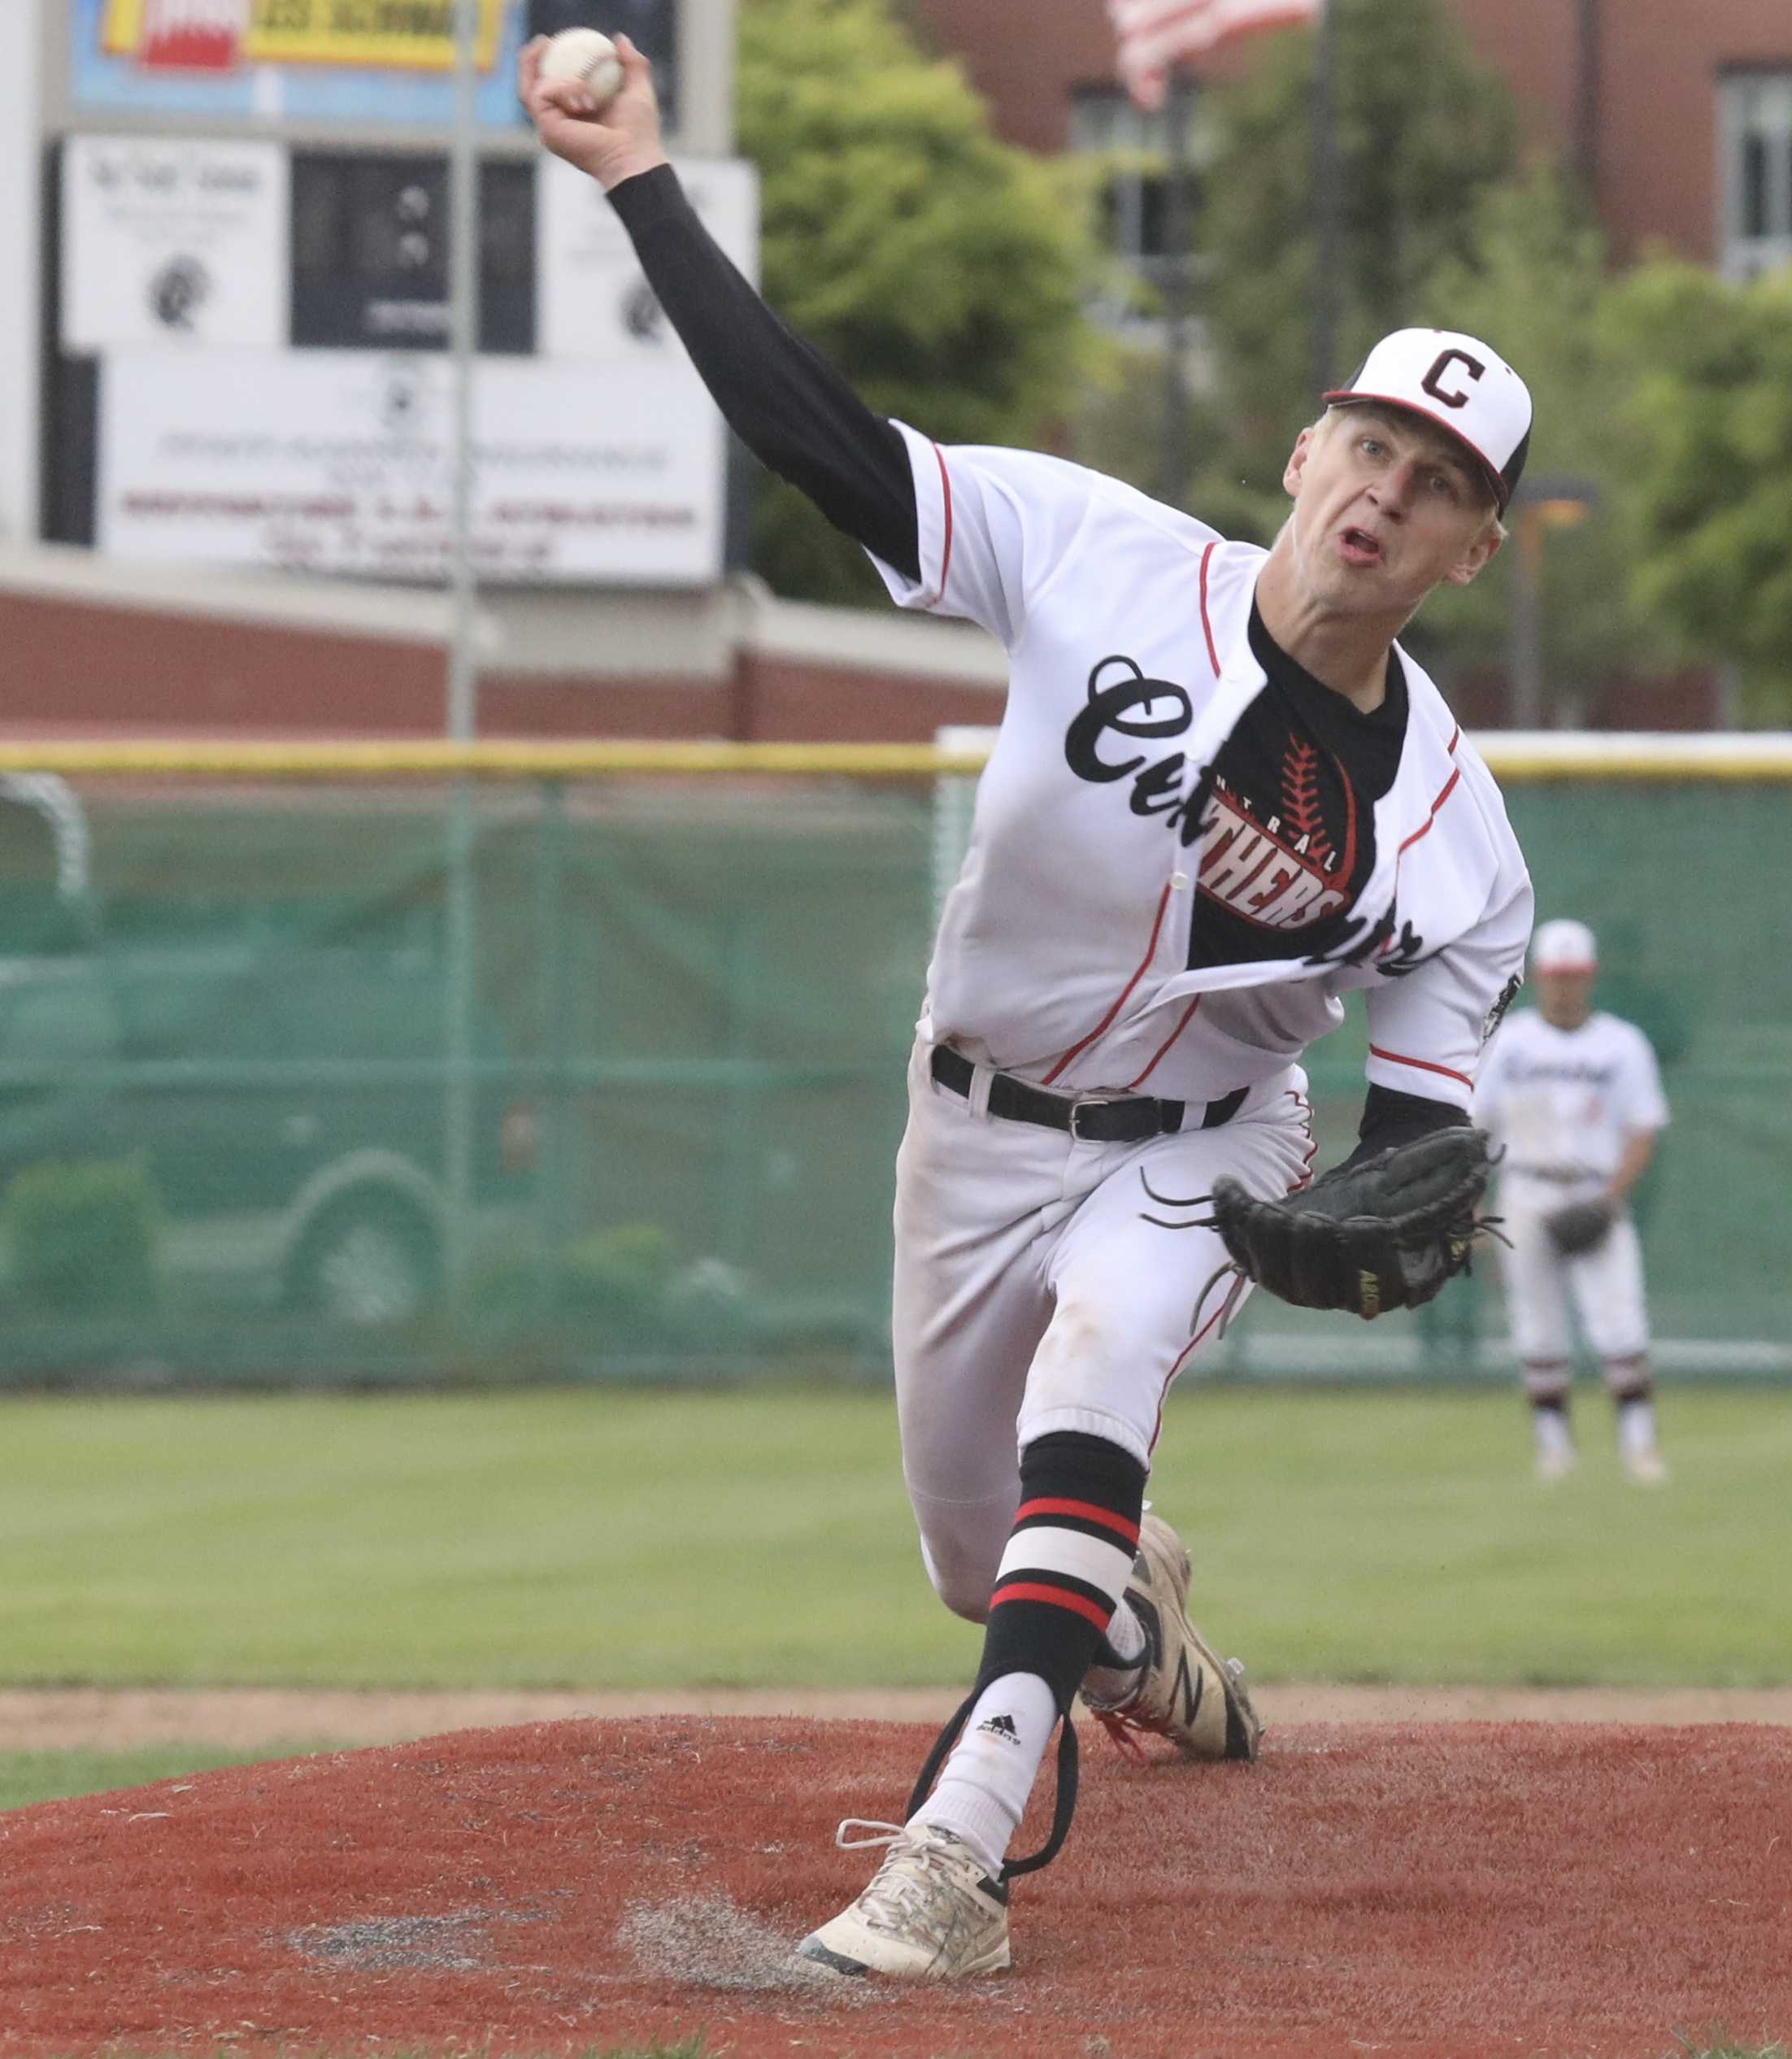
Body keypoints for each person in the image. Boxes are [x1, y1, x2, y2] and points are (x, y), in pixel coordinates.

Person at [524, 38, 1533, 1981]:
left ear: (1473, 551)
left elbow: (1419, 1131)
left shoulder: (1462, 845)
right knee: (967, 1550)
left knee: (1100, 1382)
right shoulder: (1090, 549)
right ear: (1307, 457)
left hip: (1207, 1144)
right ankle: (1135, 1635)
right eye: (1378, 451)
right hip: (971, 1123)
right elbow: (826, 443)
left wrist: (1387, 1222)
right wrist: (643, 175)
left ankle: (951, 1858)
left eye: (1444, 490)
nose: (1392, 498)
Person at [1471, 920, 1671, 1485]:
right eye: (1556, 976)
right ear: (1538, 977)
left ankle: (1639, 1445)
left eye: (1574, 976)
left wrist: (1610, 1200)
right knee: (1536, 1328)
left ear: (1591, 977)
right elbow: (1476, 1126)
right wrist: (1474, 1208)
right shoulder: (1508, 1042)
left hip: (1594, 1190)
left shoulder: (1622, 1043)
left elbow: (1642, 1129)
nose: (1564, 986)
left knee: (1621, 1323)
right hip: (1526, 1190)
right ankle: (1554, 1449)